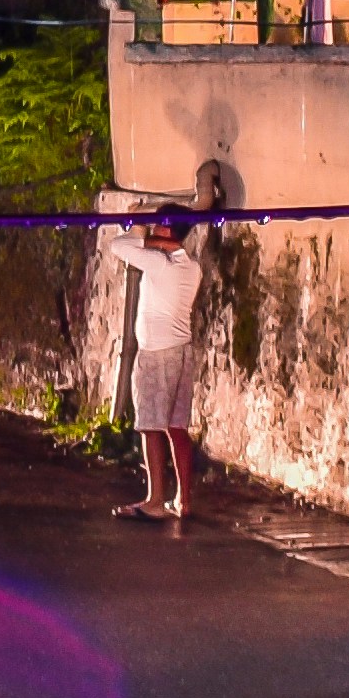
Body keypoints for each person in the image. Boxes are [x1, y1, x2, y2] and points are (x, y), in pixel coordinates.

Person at [116, 210, 211, 523]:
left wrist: (138, 227)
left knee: (151, 427)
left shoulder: (159, 264)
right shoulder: (192, 267)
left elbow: (119, 246)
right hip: (181, 352)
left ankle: (155, 500)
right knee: (176, 427)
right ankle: (183, 499)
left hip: (157, 354)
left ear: (166, 230)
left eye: (158, 225)